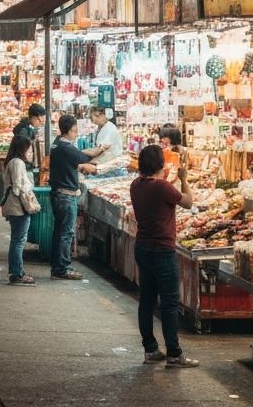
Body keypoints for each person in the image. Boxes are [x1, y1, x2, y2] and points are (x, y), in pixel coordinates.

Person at [130, 144, 197, 367]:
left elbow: (164, 196)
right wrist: (185, 178)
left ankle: (150, 349)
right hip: (162, 250)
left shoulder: (136, 185)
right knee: (169, 303)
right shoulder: (161, 187)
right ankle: (174, 354)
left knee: (147, 300)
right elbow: (188, 202)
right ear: (160, 164)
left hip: (143, 247)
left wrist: (172, 180)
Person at [49, 114, 106, 280]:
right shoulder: (65, 147)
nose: (76, 134)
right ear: (67, 131)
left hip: (60, 194)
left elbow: (78, 158)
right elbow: (83, 157)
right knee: (65, 233)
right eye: (74, 131)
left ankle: (58, 267)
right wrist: (102, 149)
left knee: (60, 232)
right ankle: (62, 269)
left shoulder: (57, 143)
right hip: (65, 197)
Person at [0, 134, 37, 285]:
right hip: (18, 207)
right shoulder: (17, 163)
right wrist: (30, 184)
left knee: (17, 240)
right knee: (18, 240)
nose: (31, 154)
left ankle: (16, 272)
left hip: (16, 207)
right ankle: (17, 273)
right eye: (29, 151)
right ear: (22, 150)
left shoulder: (14, 162)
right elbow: (18, 188)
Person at [89, 107, 126, 173]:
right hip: (105, 164)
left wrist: (83, 152)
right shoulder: (102, 128)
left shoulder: (110, 129)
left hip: (110, 165)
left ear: (102, 115)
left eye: (95, 116)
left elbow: (101, 149)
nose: (93, 119)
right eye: (93, 116)